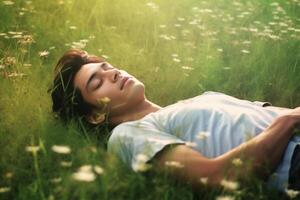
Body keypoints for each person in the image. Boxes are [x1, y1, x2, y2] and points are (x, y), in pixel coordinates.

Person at [50, 49, 300, 192]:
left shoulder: (204, 97)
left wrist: (288, 116)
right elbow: (215, 177)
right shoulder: (128, 134)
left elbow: (286, 112)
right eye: (98, 81)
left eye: (107, 67)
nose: (112, 73)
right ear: (96, 115)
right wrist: (287, 121)